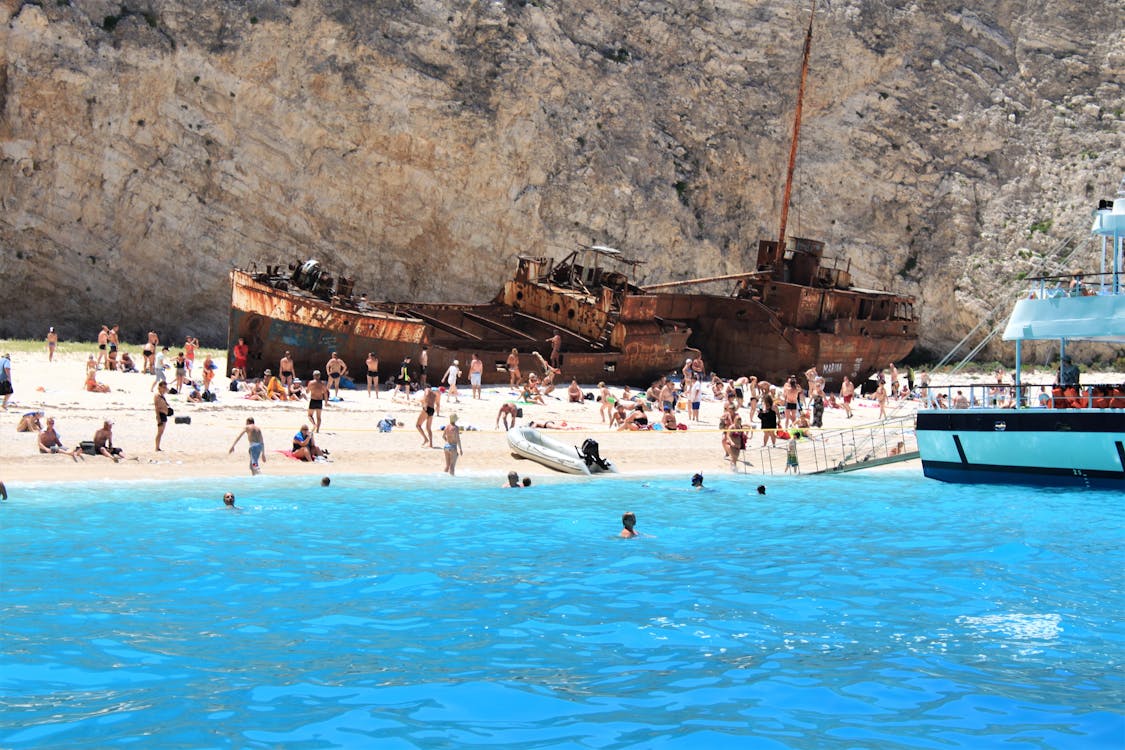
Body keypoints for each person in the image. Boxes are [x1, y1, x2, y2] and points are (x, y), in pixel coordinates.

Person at [154, 381, 172, 451]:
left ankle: (158, 447)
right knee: (159, 432)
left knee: (161, 432)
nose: (165, 389)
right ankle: (157, 447)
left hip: (164, 414)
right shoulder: (157, 396)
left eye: (165, 387)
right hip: (160, 415)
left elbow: (168, 391)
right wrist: (158, 419)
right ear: (159, 387)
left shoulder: (162, 395)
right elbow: (156, 407)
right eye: (163, 387)